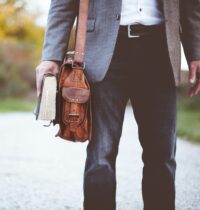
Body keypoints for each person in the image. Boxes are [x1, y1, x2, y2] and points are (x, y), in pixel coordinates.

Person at [35, 0, 200, 209]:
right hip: (104, 51)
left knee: (162, 155)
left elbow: (191, 5)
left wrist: (196, 52)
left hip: (161, 50)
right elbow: (63, 4)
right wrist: (51, 55)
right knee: (101, 154)